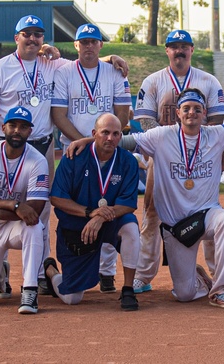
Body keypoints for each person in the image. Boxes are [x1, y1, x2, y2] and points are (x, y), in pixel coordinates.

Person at [0, 14, 71, 296]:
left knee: (41, 210)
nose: (32, 39)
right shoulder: (1, 67)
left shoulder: (53, 64)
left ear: (43, 39)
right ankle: (0, 268)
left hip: (40, 145)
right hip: (4, 147)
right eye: (26, 34)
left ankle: (40, 271)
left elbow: (85, 63)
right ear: (16, 38)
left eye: (37, 34)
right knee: (1, 203)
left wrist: (112, 57)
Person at [131, 30, 224, 294]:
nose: (179, 51)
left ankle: (217, 271)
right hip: (162, 158)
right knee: (151, 213)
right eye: (174, 47)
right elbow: (145, 119)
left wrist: (198, 141)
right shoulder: (153, 81)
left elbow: (217, 119)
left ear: (192, 50)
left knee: (209, 210)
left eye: (184, 46)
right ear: (167, 51)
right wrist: (168, 142)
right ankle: (143, 274)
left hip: (200, 157)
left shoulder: (207, 81)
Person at [51, 23, 132, 292]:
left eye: (93, 41)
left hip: (107, 146)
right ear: (76, 45)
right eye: (83, 42)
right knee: (84, 206)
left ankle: (107, 272)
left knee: (109, 205)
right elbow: (58, 114)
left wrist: (106, 138)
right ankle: (63, 268)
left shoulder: (115, 71)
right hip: (76, 151)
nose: (88, 46)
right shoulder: (64, 72)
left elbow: (122, 111)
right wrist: (82, 141)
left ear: (100, 45)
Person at [45, 114, 141, 310]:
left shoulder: (128, 161)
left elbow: (129, 204)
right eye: (105, 133)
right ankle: (51, 271)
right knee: (72, 298)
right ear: (94, 134)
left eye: (116, 134)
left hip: (110, 222)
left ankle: (128, 289)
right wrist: (90, 213)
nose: (110, 138)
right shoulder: (73, 157)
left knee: (130, 226)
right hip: (77, 226)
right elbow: (57, 198)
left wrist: (99, 216)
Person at [0, 106, 50, 314]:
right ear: (3, 127)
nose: (16, 131)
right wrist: (14, 205)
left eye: (23, 127)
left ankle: (30, 290)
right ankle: (0, 270)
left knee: (33, 225)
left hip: (14, 226)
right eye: (12, 125)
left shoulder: (38, 160)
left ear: (30, 132)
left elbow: (34, 210)